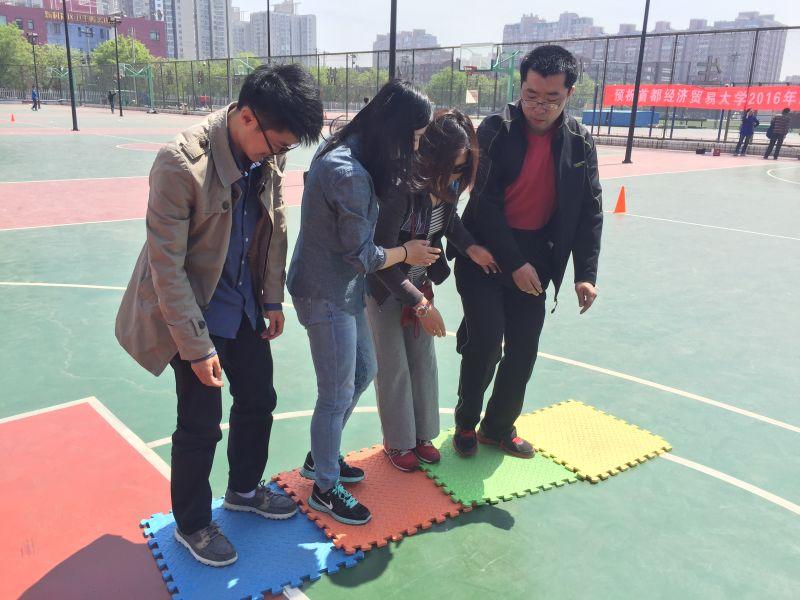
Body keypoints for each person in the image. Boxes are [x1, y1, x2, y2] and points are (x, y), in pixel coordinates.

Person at [115, 64, 324, 567]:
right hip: (195, 310)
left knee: (259, 398)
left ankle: (244, 490)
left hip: (244, 302)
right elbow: (167, 269)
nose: (277, 155)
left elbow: (274, 225)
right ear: (248, 117)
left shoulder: (266, 152)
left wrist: (271, 299)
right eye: (276, 144)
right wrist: (196, 347)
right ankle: (191, 524)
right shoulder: (180, 164)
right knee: (200, 423)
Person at [287, 80, 435, 525]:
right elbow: (363, 256)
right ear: (395, 130)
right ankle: (324, 488)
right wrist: (407, 252)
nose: (416, 146)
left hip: (344, 288)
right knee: (334, 393)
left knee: (364, 371)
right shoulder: (348, 172)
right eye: (415, 136)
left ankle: (320, 458)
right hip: (324, 292)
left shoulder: (353, 151)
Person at [451, 45, 603, 459]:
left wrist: (585, 274)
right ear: (521, 88)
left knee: (523, 349)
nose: (539, 107)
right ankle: (466, 423)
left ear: (569, 93)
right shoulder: (495, 130)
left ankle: (498, 427)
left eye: (552, 98)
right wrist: (514, 263)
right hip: (485, 250)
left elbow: (589, 209)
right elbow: (484, 203)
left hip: (537, 255)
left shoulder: (579, 141)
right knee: (485, 342)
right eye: (531, 95)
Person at [366, 109, 498, 472]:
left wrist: (471, 247)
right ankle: (399, 442)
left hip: (420, 284)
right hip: (385, 289)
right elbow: (379, 257)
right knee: (393, 366)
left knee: (423, 362)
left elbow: (448, 222)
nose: (456, 177)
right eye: (451, 168)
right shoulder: (401, 190)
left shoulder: (448, 188)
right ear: (431, 158)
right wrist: (421, 305)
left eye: (463, 168)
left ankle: (423, 436)